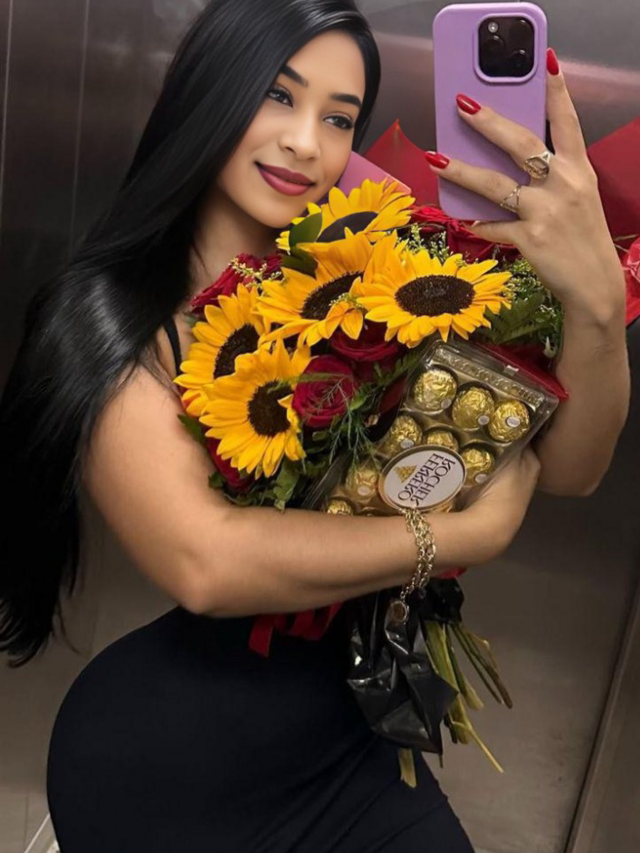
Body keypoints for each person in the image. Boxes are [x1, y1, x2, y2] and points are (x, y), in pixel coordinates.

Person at [0, 0, 629, 850]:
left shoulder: (383, 280)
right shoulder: (110, 315)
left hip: (351, 739)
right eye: (278, 95)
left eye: (339, 117)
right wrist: (460, 536)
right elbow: (206, 563)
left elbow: (576, 470)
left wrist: (595, 305)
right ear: (208, 93)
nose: (306, 142)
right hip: (167, 766)